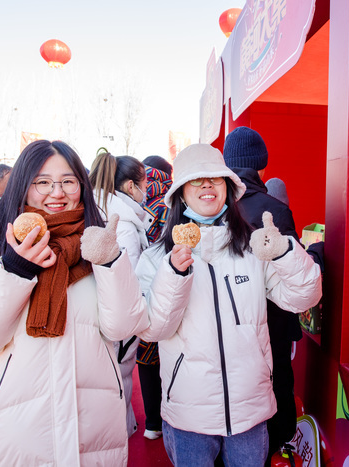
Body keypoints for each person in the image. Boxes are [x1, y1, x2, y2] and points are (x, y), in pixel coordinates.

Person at [0, 140, 149, 465]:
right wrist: (15, 270)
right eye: (42, 182)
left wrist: (110, 262)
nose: (57, 192)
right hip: (18, 435)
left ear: (82, 185)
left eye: (67, 181)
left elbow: (122, 326)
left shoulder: (98, 243)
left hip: (93, 431)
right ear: (24, 187)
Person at [135, 144, 322, 466]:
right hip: (188, 412)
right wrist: (174, 274)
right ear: (180, 193)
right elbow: (152, 329)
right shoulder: (156, 259)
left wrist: (285, 252)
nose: (207, 185)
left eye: (216, 179)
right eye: (197, 180)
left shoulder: (253, 249)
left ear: (229, 189)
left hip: (249, 408)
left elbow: (303, 298)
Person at [223, 126, 304, 459]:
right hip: (274, 320)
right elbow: (291, 273)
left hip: (229, 321)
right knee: (276, 387)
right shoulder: (276, 209)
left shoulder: (216, 207)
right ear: (262, 165)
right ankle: (274, 447)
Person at [89, 149, 151, 437]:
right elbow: (129, 279)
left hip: (102, 315)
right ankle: (120, 435)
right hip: (119, 320)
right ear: (131, 186)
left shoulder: (106, 213)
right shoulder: (124, 224)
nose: (147, 189)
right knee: (119, 379)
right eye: (145, 182)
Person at [136, 155, 173, 440]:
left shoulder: (137, 203)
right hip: (173, 279)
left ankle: (153, 423)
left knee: (146, 353)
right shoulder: (173, 202)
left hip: (142, 281)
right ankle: (168, 414)